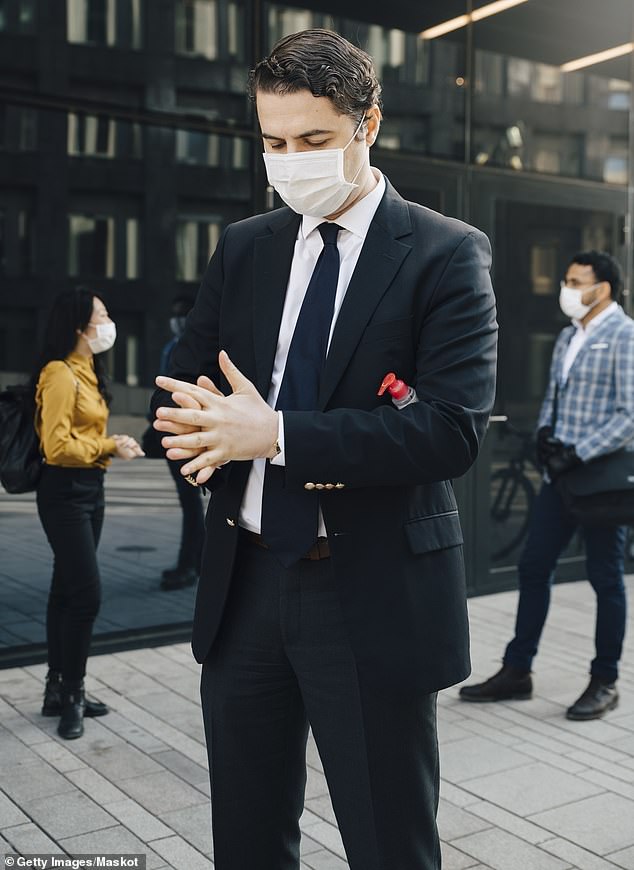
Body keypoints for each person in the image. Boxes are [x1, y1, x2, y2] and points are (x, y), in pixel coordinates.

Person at [151, 29, 497, 870]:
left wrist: (272, 433)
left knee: (388, 844)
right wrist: (198, 431)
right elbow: (184, 382)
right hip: (249, 586)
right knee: (247, 836)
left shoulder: (446, 253)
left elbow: (448, 429)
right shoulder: (246, 248)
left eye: (313, 141)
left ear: (367, 125)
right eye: (273, 142)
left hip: (367, 590)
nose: (290, 160)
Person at [460, 250, 632, 721]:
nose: (568, 289)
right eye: (567, 279)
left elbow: (629, 415)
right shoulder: (566, 336)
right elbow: (556, 395)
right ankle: (518, 671)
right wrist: (545, 435)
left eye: (578, 282)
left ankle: (605, 679)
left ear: (604, 288)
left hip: (599, 481)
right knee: (534, 567)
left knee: (605, 578)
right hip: (559, 478)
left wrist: (580, 450)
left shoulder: (625, 335)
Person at [35, 287, 144, 739]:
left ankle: (56, 687)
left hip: (89, 488)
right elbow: (56, 447)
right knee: (86, 595)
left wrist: (111, 447)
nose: (108, 322)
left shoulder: (87, 371)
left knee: (66, 589)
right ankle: (74, 694)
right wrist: (109, 446)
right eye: (102, 315)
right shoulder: (60, 374)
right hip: (64, 493)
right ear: (81, 327)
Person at [159, 296, 205, 591]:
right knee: (190, 505)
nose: (176, 320)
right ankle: (195, 563)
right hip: (172, 436)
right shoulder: (171, 347)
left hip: (188, 437)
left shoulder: (193, 350)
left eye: (181, 314)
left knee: (191, 506)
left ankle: (191, 564)